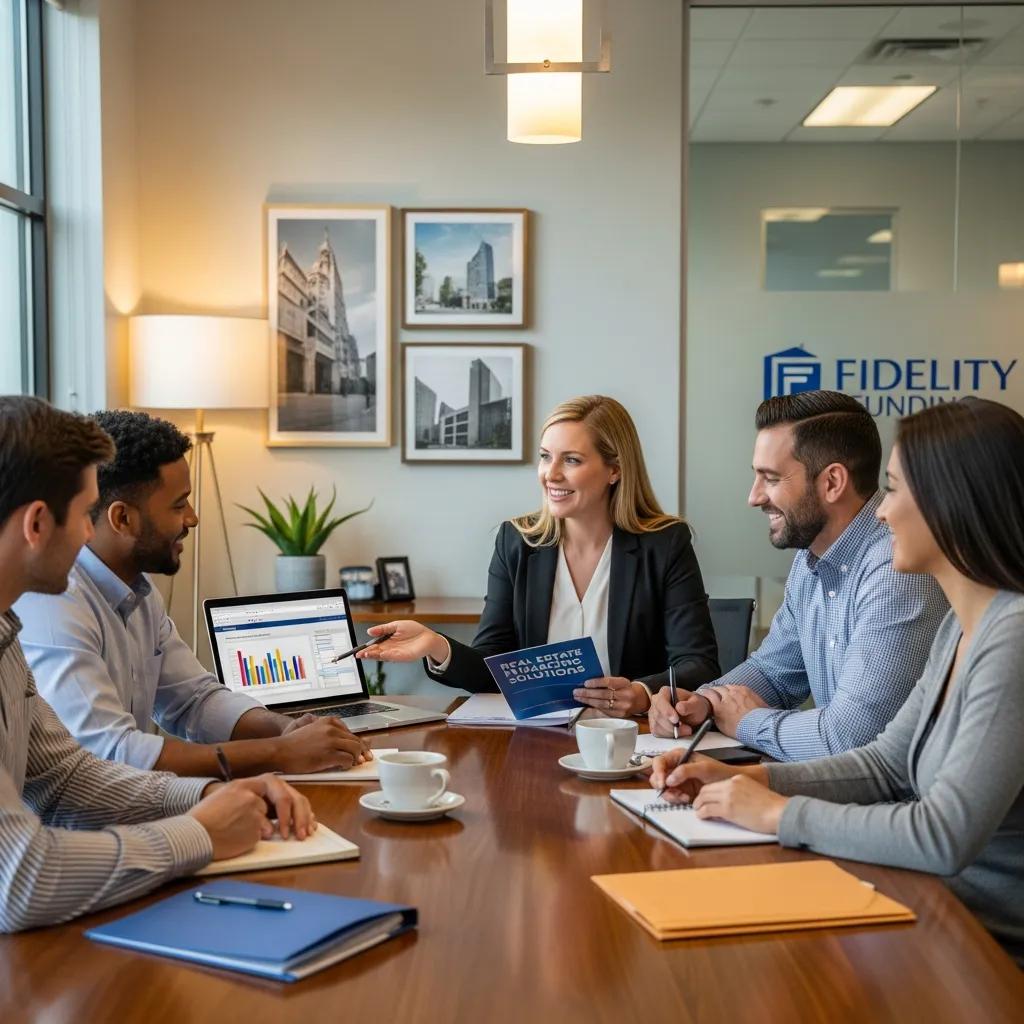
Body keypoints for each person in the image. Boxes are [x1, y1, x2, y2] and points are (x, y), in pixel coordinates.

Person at [651, 398, 1024, 965]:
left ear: (952, 504)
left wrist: (776, 812)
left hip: (980, 943)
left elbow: (942, 834)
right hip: (927, 904)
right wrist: (742, 780)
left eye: (895, 490)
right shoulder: (960, 626)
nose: (880, 513)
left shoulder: (1013, 638)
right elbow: (883, 763)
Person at [0, 396, 314, 932]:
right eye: (82, 516)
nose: (86, 537)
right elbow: (20, 880)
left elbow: (64, 776)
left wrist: (211, 794)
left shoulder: (6, 636)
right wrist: (200, 833)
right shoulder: (45, 613)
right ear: (36, 523)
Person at [15, 410, 370, 778]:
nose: (193, 518)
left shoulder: (138, 590)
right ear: (122, 519)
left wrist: (283, 729)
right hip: (80, 827)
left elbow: (194, 700)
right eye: (178, 504)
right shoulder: (54, 602)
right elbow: (111, 752)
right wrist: (279, 752)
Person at [358, 395, 720, 716]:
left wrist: (641, 694)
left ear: (615, 469)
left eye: (572, 460)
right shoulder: (516, 542)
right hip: (537, 737)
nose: (551, 474)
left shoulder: (665, 544)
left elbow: (698, 664)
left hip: (630, 737)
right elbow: (493, 665)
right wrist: (435, 645)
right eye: (546, 457)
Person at [649, 390, 947, 760]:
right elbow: (774, 672)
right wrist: (702, 703)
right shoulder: (811, 560)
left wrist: (746, 721)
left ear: (832, 482)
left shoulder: (895, 569)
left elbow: (848, 740)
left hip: (888, 808)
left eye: (770, 478)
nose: (754, 497)